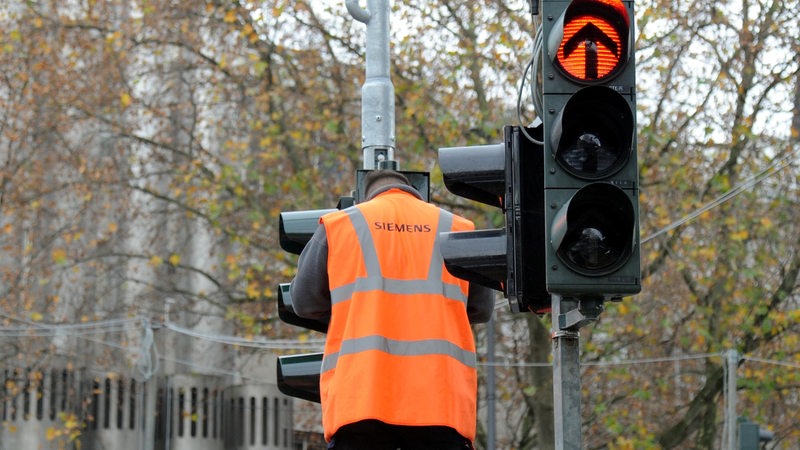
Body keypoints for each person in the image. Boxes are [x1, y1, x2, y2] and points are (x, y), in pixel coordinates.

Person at [291, 169, 494, 450]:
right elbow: (481, 309)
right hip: (440, 403)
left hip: (360, 403)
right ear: (415, 192)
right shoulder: (457, 228)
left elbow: (303, 303)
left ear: (364, 197)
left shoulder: (339, 226)